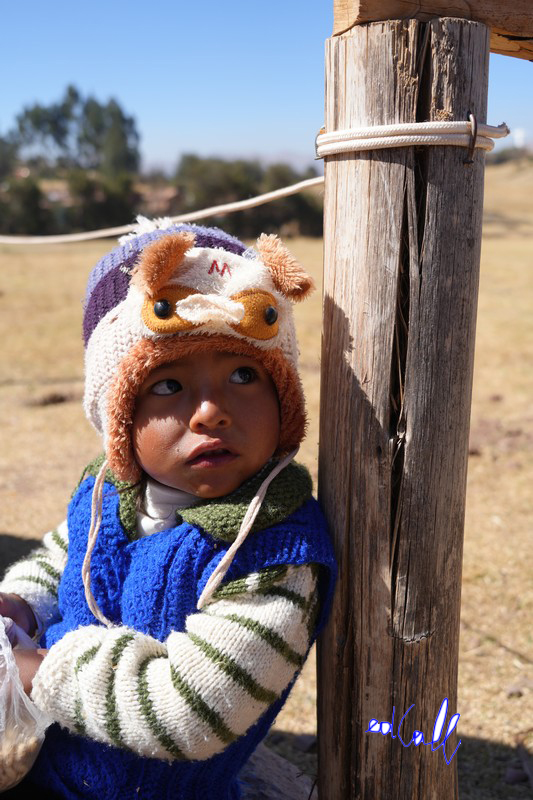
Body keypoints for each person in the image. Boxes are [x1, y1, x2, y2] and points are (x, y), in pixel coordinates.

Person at [0, 220, 336, 799]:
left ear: (284, 397)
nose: (210, 411)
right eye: (167, 385)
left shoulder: (275, 550)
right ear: (120, 420)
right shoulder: (109, 493)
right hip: (45, 770)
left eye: (243, 374)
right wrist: (22, 605)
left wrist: (43, 670)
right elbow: (63, 556)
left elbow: (195, 709)